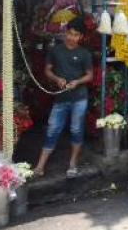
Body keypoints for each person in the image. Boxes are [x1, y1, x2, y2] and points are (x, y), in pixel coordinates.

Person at [34, 17, 94, 178]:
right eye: (69, 33)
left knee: (76, 129)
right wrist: (56, 79)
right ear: (65, 32)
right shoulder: (55, 51)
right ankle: (40, 165)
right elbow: (47, 70)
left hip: (79, 98)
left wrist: (77, 82)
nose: (71, 37)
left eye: (75, 35)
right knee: (52, 129)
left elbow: (89, 76)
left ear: (80, 37)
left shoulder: (84, 54)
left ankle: (72, 163)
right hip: (60, 99)